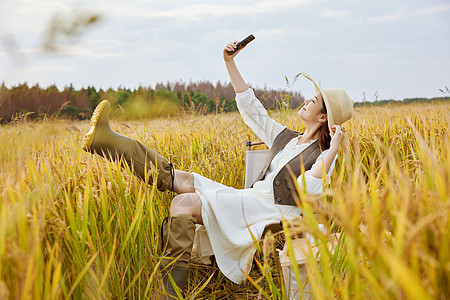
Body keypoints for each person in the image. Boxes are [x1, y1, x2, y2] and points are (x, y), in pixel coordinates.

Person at [81, 40, 353, 298]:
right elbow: (252, 110)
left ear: (323, 116)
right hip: (250, 201)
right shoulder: (286, 138)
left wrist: (333, 149)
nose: (307, 99)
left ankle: (167, 295)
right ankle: (107, 141)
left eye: (314, 99)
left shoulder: (324, 155)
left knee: (184, 202)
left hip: (270, 214)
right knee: (184, 182)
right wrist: (229, 62)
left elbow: (309, 191)